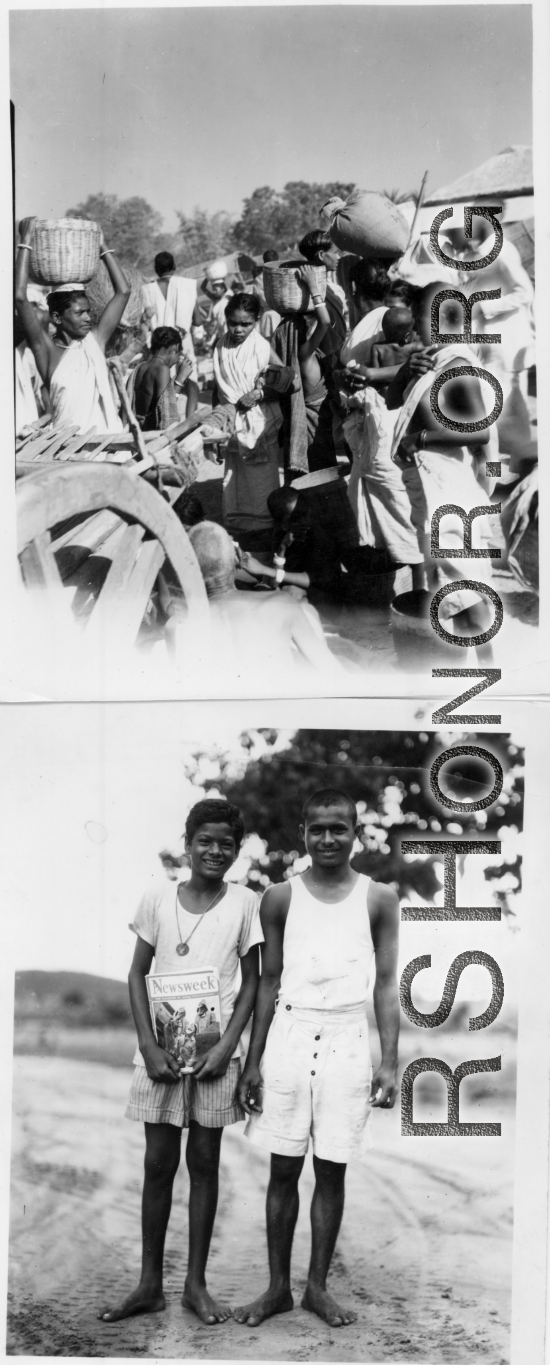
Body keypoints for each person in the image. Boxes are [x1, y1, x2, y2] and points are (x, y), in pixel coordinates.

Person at [234, 788, 399, 1329]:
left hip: (347, 1039)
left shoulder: (379, 898)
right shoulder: (279, 898)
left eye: (339, 829)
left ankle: (317, 1288)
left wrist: (389, 1060)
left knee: (332, 1170)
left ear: (356, 833)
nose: (328, 839)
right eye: (317, 829)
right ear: (302, 833)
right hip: (289, 1031)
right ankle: (278, 1287)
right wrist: (253, 1061)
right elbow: (268, 981)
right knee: (283, 1168)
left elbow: (387, 985)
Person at [99, 798, 263, 1327]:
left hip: (215, 1055)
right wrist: (148, 1045)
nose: (215, 851)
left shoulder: (245, 904)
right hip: (161, 1054)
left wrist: (225, 1048)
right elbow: (136, 973)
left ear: (237, 852)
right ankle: (149, 1284)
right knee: (157, 1164)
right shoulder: (156, 897)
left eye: (226, 844)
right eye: (205, 841)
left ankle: (195, 1285)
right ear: (187, 843)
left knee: (206, 1163)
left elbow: (254, 982)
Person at [386, 281, 501, 657]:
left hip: (451, 493)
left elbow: (479, 430)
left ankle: (488, 671)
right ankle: (478, 668)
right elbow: (395, 402)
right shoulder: (435, 360)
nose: (413, 331)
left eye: (418, 320)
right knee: (457, 596)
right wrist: (405, 373)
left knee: (467, 594)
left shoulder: (456, 366)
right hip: (438, 492)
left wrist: (419, 441)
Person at [167, 520, 347, 686]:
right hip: (280, 713)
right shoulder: (281, 605)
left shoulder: (177, 627)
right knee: (308, 611)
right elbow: (334, 675)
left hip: (225, 716)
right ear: (237, 559)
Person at [15, 216, 130, 434]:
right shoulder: (45, 349)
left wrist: (102, 246)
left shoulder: (95, 341)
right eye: (79, 313)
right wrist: (25, 240)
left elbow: (123, 292)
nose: (88, 318)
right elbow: (20, 296)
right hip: (67, 448)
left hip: (105, 446)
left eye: (88, 312)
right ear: (57, 318)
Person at [208, 293, 293, 545]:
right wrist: (216, 427)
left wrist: (259, 393)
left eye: (245, 324)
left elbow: (288, 381)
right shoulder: (220, 346)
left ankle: (266, 540)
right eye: (233, 323)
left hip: (259, 430)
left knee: (263, 487)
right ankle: (243, 539)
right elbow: (218, 390)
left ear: (256, 321)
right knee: (234, 483)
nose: (238, 329)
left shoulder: (261, 347)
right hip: (233, 426)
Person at [239, 486, 347, 609]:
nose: (304, 521)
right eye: (295, 518)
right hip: (291, 589)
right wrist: (282, 548)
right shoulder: (281, 534)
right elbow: (274, 582)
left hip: (323, 596)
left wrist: (265, 570)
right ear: (282, 524)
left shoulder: (319, 536)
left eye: (305, 513)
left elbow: (317, 580)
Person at [132, 325, 198, 430]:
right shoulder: (162, 369)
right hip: (151, 432)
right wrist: (180, 379)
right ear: (175, 348)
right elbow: (165, 409)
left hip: (140, 428)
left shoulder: (141, 367)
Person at [142, 251, 202, 337]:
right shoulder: (187, 285)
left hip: (157, 344)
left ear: (156, 269)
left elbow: (144, 324)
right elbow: (197, 321)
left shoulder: (146, 290)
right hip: (181, 342)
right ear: (174, 266)